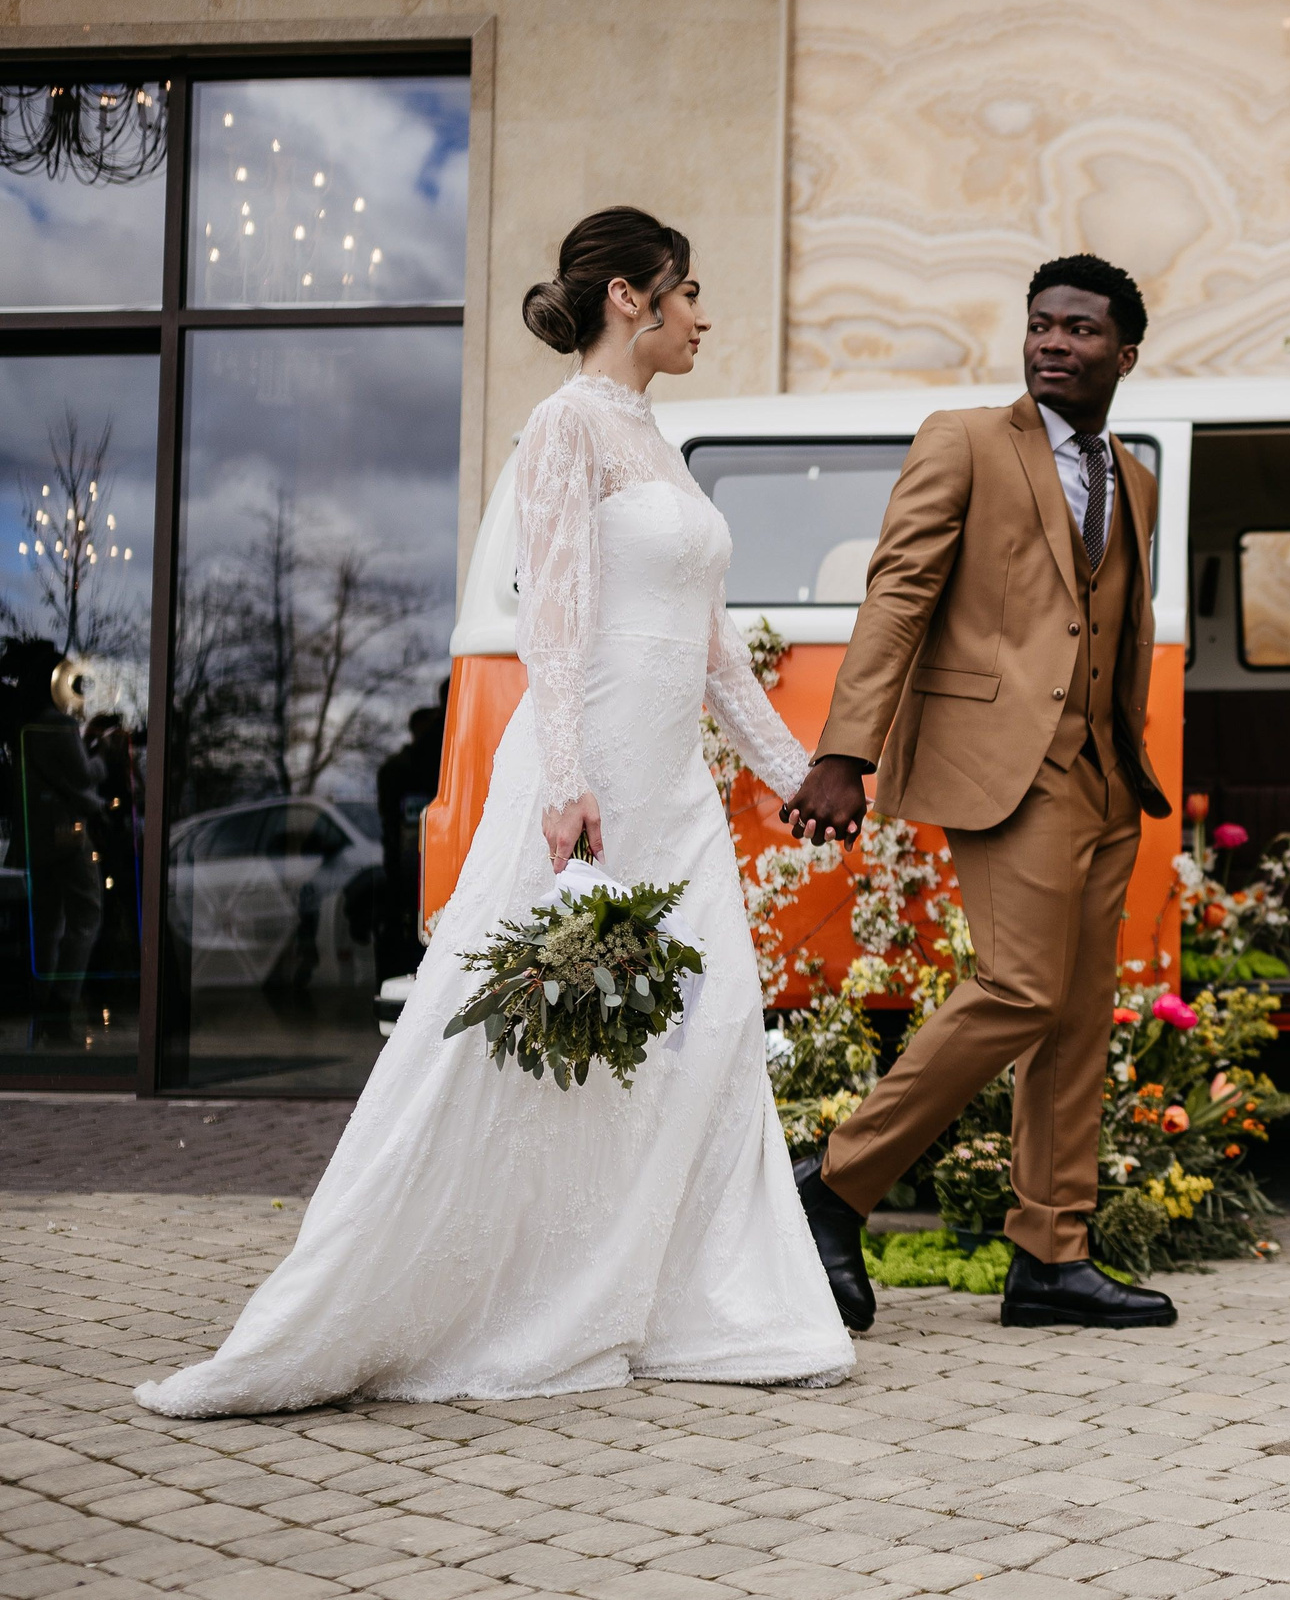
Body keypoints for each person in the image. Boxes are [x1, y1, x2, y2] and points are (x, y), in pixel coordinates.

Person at [133, 207, 856, 1417]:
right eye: (686, 293)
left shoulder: (653, 436)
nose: (702, 315)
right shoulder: (567, 424)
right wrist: (566, 778)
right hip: (592, 776)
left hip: (673, 789)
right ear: (630, 297)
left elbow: (717, 653)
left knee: (705, 1026)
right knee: (504, 1035)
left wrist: (797, 774)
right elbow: (553, 618)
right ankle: (429, 1300)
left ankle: (684, 1299)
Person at [779, 254, 1177, 1331]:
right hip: (1008, 766)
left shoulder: (1136, 478)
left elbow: (1118, 628)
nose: (1053, 341)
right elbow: (898, 592)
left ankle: (1051, 1253)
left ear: (1123, 352)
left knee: (1077, 1015)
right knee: (1018, 988)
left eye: (1081, 329)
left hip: (1101, 775)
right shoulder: (961, 440)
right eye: (1041, 324)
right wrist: (845, 750)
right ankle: (834, 1183)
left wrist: (1125, 756)